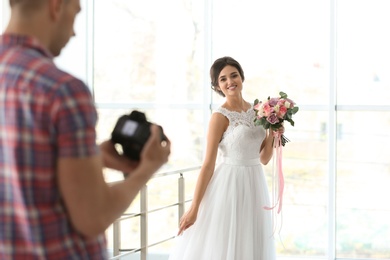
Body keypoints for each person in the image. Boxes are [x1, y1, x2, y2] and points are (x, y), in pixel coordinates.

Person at [0, 0, 171, 259]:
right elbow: (94, 216)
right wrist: (147, 167)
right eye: (75, 13)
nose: (74, 32)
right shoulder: (62, 90)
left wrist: (94, 158)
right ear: (56, 6)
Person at [168, 56, 283, 260]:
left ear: (242, 77)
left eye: (234, 75)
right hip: (229, 184)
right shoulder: (219, 117)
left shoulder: (259, 111)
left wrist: (274, 134)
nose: (230, 82)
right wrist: (194, 208)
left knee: (251, 240)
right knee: (225, 243)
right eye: (223, 79)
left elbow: (264, 158)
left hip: (255, 183)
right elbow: (208, 164)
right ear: (217, 86)